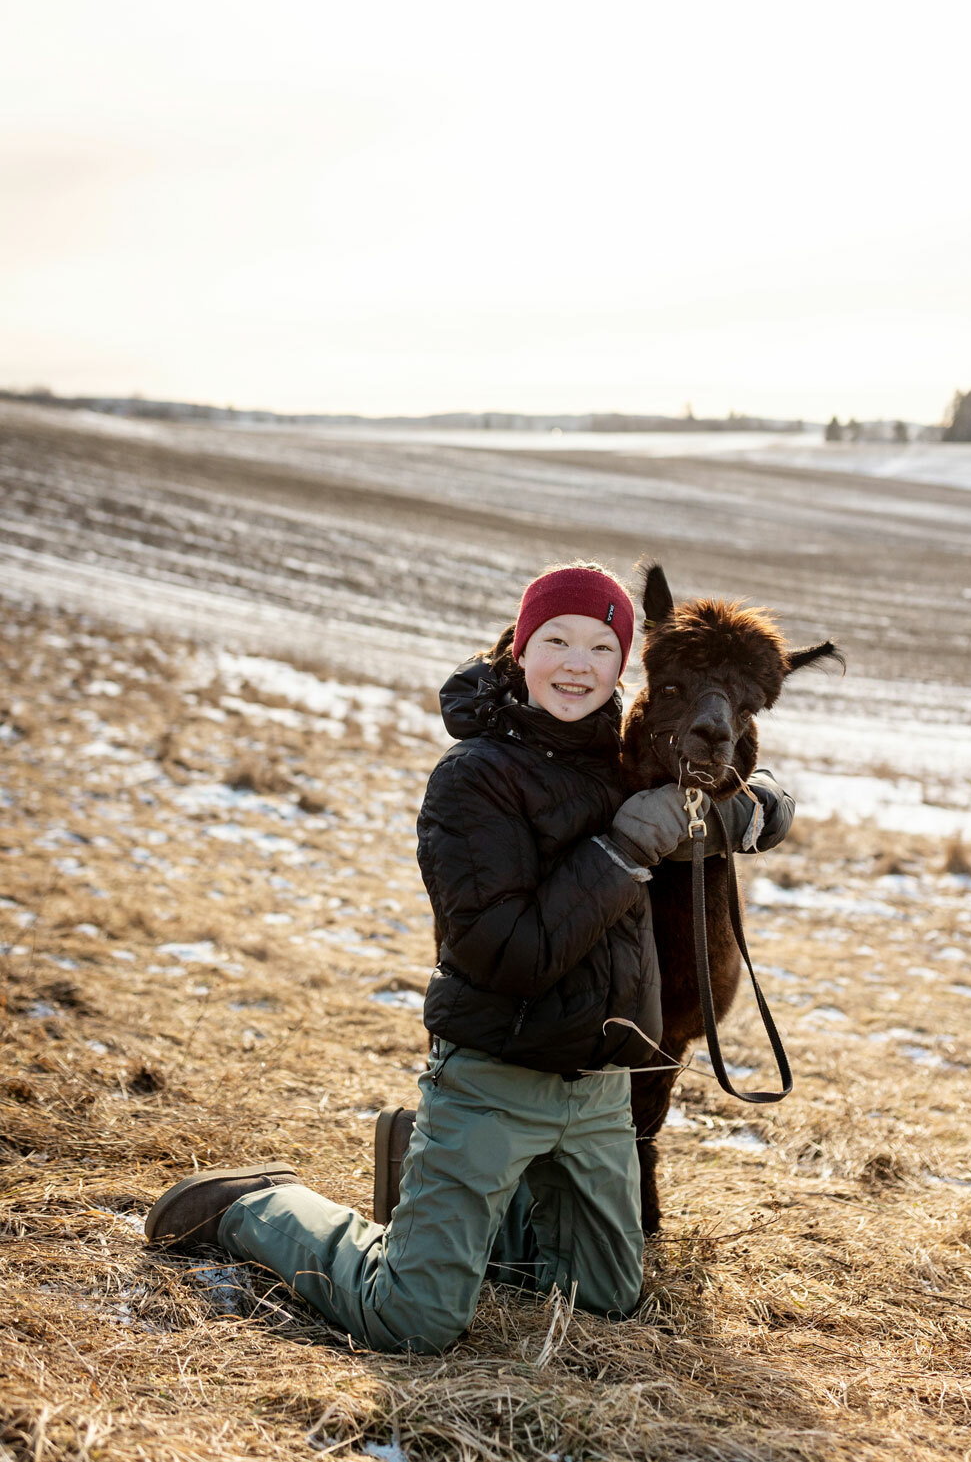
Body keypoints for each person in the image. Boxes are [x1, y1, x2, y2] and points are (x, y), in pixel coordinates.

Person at [144, 563, 794, 1353]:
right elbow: (509, 953)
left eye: (599, 646)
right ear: (521, 650)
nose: (577, 663)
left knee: (609, 1302)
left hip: (592, 1096)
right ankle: (258, 1207)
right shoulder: (474, 779)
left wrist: (760, 805)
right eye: (555, 640)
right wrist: (626, 847)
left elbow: (710, 784)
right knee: (412, 1320)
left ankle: (453, 1194)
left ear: (625, 666)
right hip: (495, 1074)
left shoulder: (623, 760)